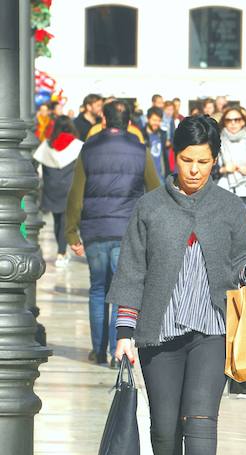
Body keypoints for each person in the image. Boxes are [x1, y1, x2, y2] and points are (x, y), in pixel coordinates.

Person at [107, 115, 246, 455]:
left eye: (203, 161)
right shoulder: (150, 208)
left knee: (200, 425)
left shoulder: (228, 207)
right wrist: (125, 332)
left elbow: (241, 260)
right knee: (165, 432)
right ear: (175, 157)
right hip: (158, 337)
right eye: (187, 160)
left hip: (213, 330)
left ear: (215, 160)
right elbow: (132, 272)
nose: (194, 169)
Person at [65, 100, 161, 367]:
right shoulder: (140, 150)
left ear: (103, 121)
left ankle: (97, 350)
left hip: (95, 230)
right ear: (130, 122)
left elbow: (76, 194)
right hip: (126, 232)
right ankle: (116, 353)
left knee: (98, 289)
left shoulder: (89, 148)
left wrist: (71, 233)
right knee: (123, 293)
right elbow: (154, 190)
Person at [34, 115, 84, 267]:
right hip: (69, 188)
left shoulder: (46, 145)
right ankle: (62, 253)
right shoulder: (77, 145)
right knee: (66, 222)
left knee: (58, 221)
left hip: (52, 189)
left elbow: (34, 163)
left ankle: (61, 251)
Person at [217, 105, 246, 241]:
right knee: (224, 234)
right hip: (224, 190)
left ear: (243, 121)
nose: (233, 123)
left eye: (237, 120)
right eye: (228, 120)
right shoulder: (217, 141)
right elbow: (208, 168)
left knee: (244, 236)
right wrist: (223, 169)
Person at [144, 106, 168, 179]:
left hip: (161, 177)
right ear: (148, 119)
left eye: (159, 120)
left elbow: (164, 157)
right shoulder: (142, 135)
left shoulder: (162, 134)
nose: (156, 123)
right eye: (154, 120)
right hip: (147, 178)